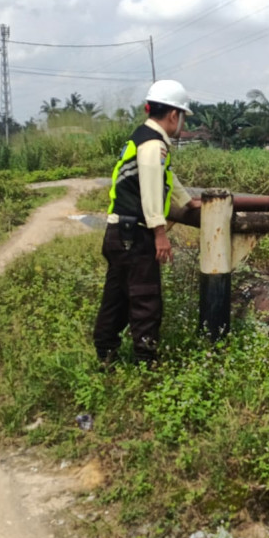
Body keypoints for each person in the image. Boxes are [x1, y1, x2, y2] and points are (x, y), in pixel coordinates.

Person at [93, 79, 200, 367]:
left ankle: (106, 354)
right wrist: (160, 233)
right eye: (183, 118)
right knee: (145, 297)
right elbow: (152, 189)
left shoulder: (141, 138)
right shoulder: (154, 145)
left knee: (116, 297)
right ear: (174, 115)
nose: (181, 125)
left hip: (117, 232)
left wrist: (188, 202)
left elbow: (166, 178)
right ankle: (146, 361)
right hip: (135, 235)